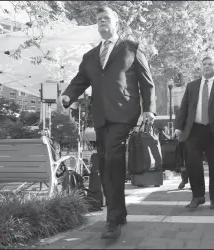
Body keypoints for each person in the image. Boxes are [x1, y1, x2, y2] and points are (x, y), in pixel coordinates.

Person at [60, 6, 156, 239]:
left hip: (125, 113)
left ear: (116, 23)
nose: (102, 22)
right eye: (99, 20)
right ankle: (119, 212)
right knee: (104, 163)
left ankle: (112, 220)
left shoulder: (130, 48)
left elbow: (147, 82)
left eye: (106, 19)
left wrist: (149, 110)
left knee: (112, 158)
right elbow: (81, 79)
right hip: (101, 117)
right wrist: (67, 95)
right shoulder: (91, 56)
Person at [174, 54, 214, 210]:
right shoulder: (192, 86)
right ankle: (198, 197)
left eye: (211, 63)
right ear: (201, 67)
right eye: (205, 64)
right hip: (194, 130)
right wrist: (178, 126)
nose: (207, 66)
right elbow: (184, 107)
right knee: (192, 165)